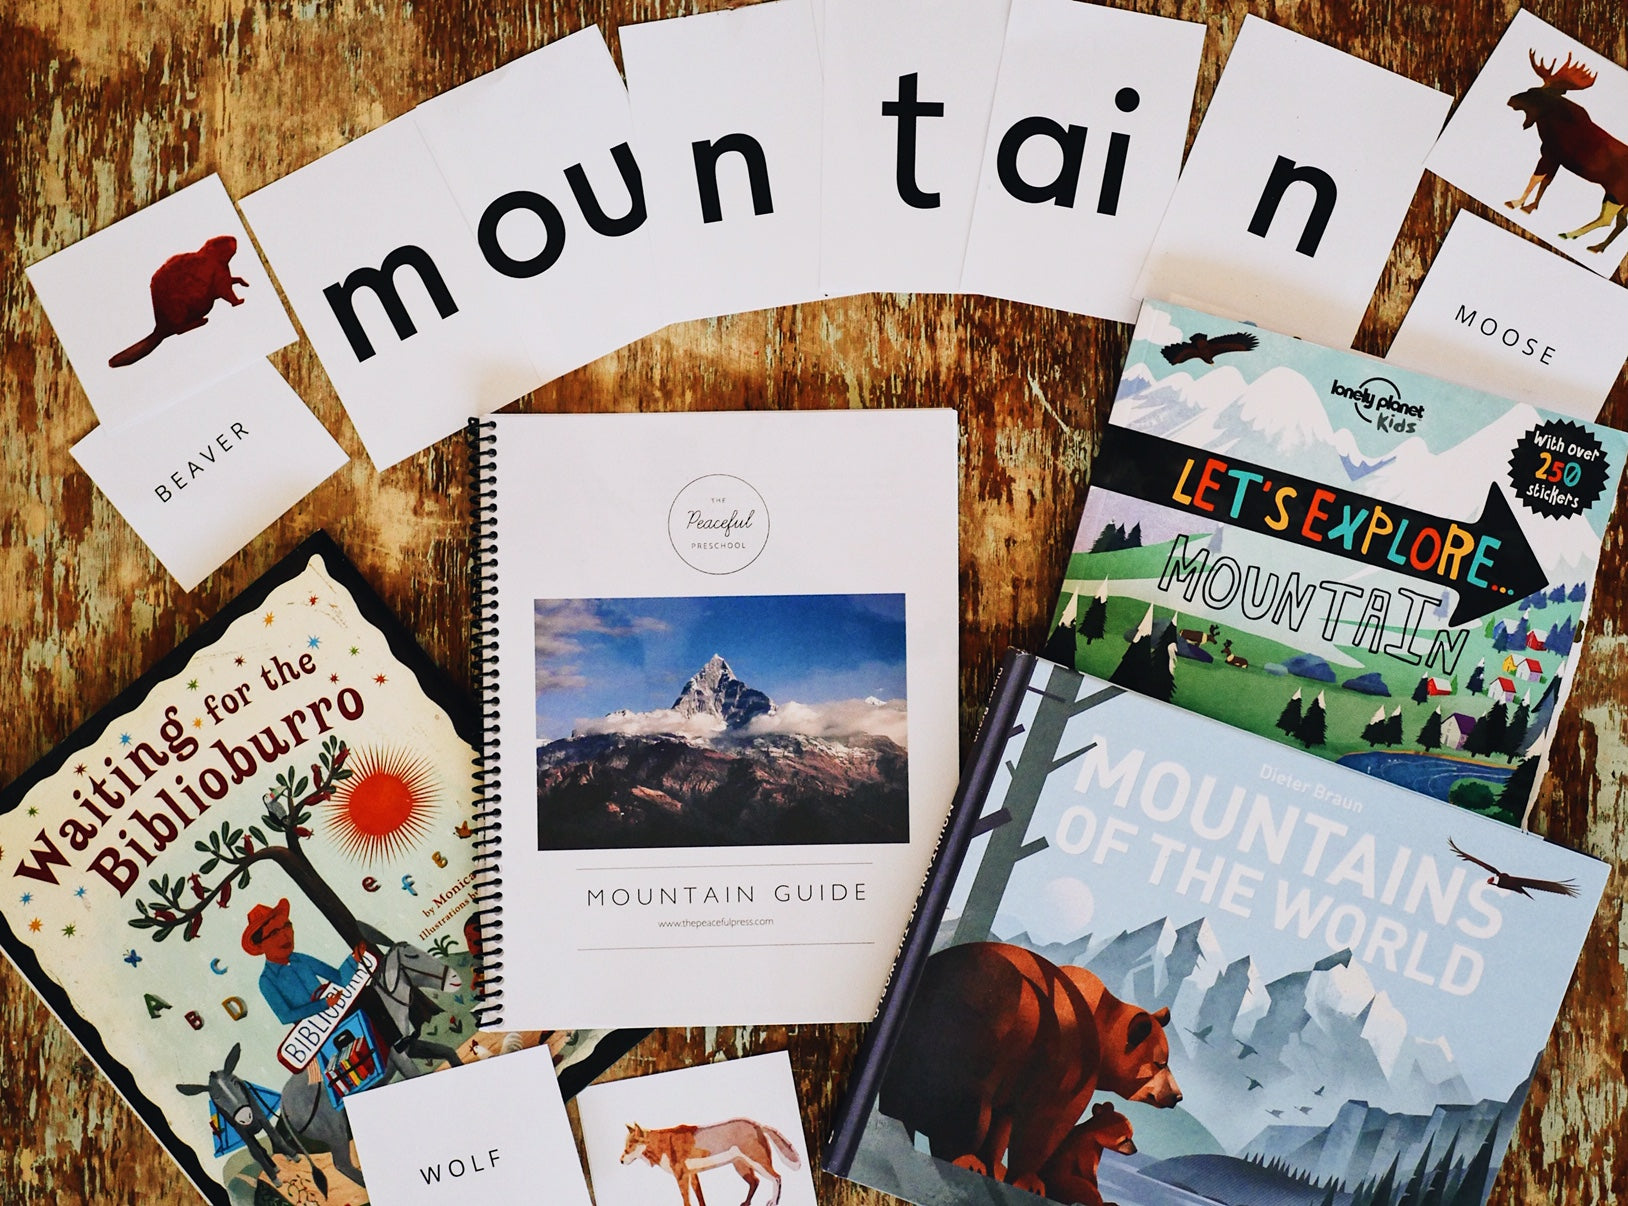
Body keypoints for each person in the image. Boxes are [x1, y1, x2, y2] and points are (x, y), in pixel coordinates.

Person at [241, 898, 367, 1025]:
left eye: (287, 926)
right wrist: (325, 1004)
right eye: (274, 933)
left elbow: (340, 979)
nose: (285, 936)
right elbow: (285, 1016)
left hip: (342, 1017)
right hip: (314, 1034)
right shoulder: (266, 980)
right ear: (260, 946)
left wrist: (354, 959)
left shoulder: (301, 959)